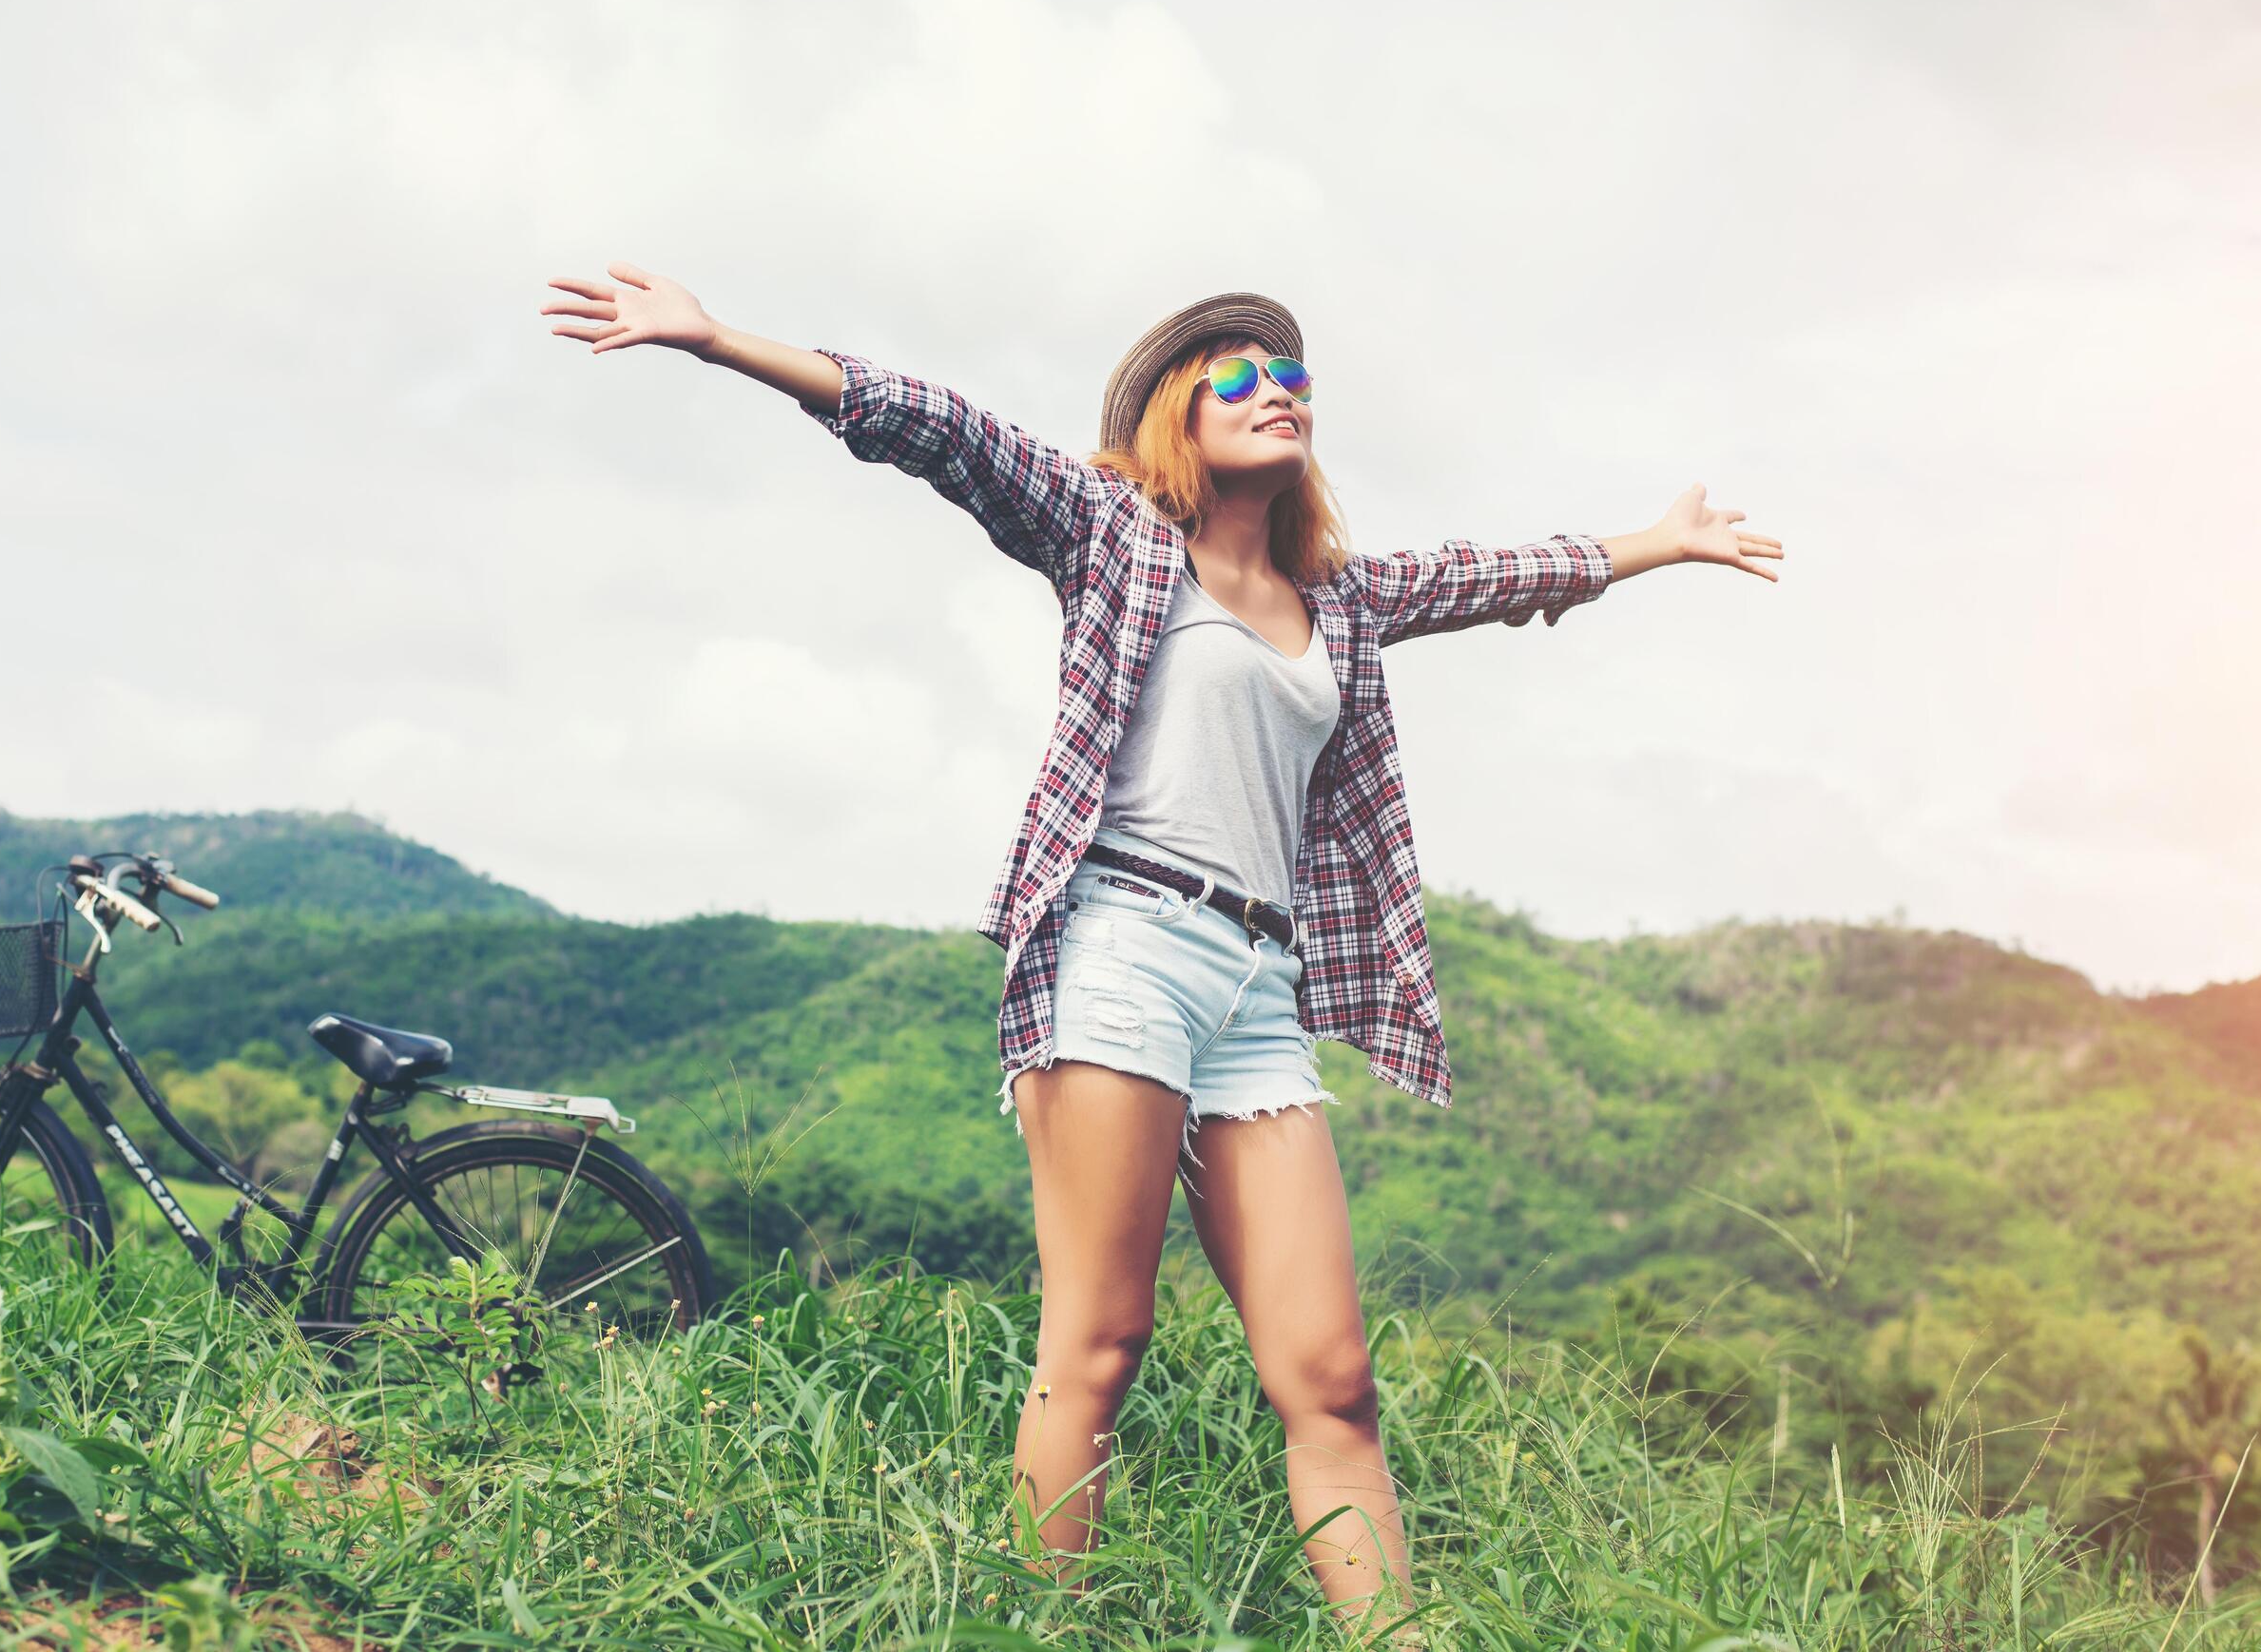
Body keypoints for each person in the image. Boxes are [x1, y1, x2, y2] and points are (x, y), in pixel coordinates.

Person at [540, 261, 1783, 1642]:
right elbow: (941, 428)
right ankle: (1032, 1624)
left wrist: (1649, 545)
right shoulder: (1111, 535)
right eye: (1239, 375)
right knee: (1098, 1342)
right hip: (1121, 943)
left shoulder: (1340, 600)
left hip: (1259, 989)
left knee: (1328, 1377)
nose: (1277, 393)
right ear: (1176, 413)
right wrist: (719, 343)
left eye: (1293, 378)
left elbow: (1488, 576)